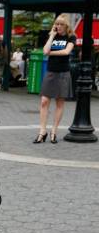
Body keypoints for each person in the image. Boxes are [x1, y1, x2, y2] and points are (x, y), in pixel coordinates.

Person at [34, 14, 76, 144]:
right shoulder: (52, 36)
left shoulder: (71, 37)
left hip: (63, 73)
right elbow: (45, 50)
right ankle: (42, 131)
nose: (58, 26)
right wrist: (51, 35)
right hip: (51, 72)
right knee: (44, 101)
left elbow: (66, 52)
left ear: (66, 25)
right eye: (56, 23)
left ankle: (54, 131)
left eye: (60, 24)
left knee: (59, 103)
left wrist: (50, 53)